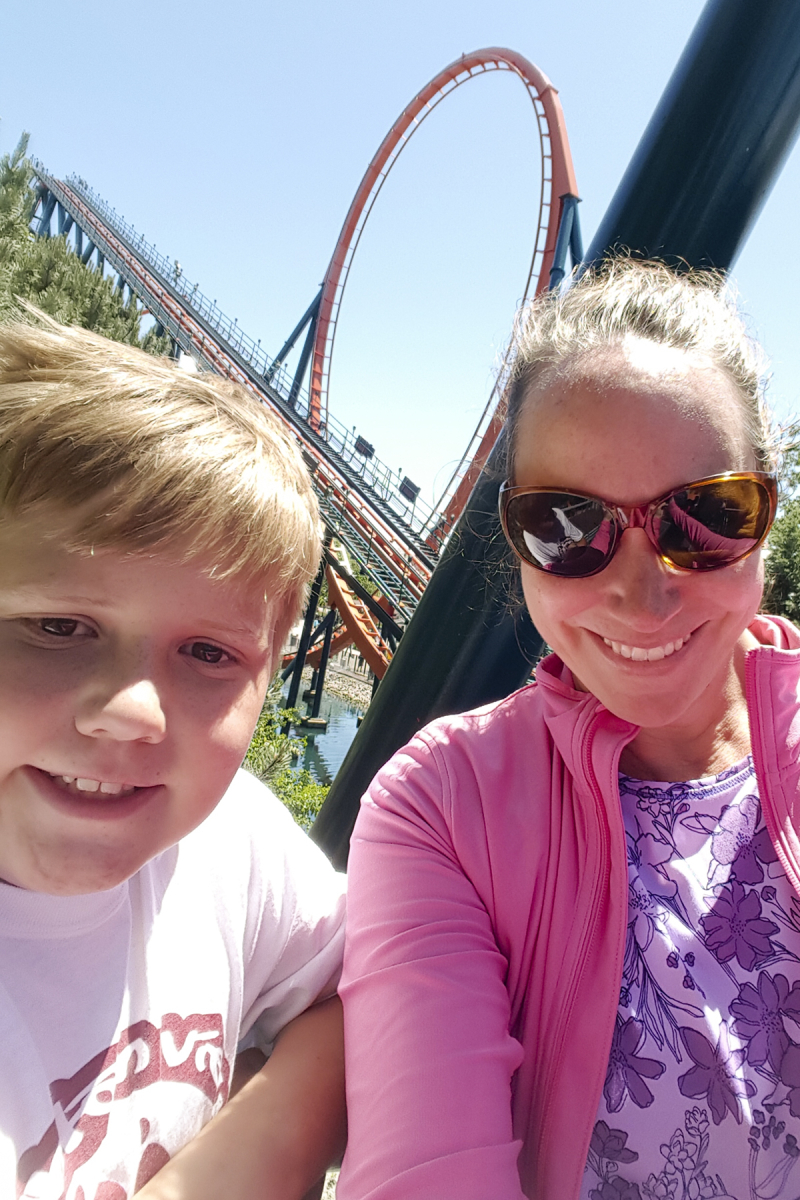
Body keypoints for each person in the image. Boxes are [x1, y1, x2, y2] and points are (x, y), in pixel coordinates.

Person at [337, 259, 800, 1200]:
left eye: (706, 516)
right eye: (566, 526)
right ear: (516, 544)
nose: (641, 593)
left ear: (766, 511)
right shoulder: (441, 807)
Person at [0, 310, 346, 1200]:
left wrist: (270, 1134)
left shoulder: (222, 841)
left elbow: (390, 984)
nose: (130, 713)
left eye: (208, 655)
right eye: (57, 626)